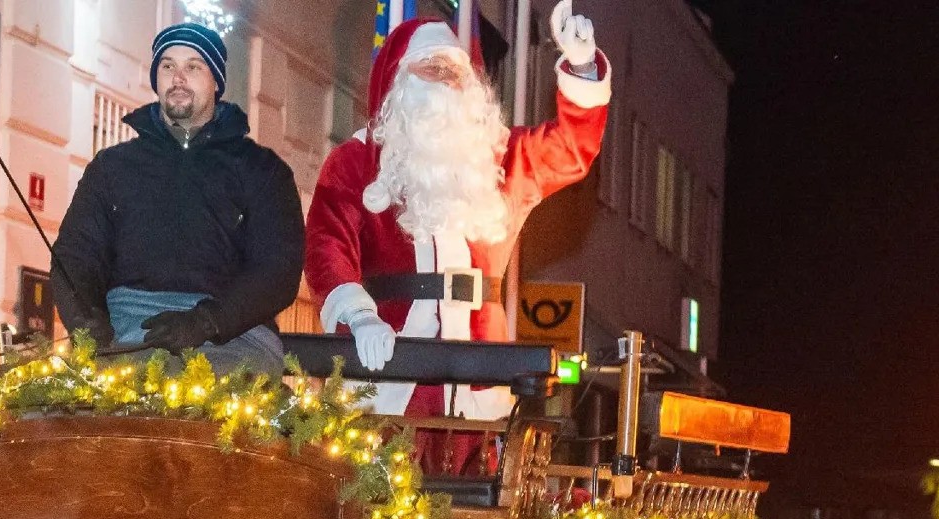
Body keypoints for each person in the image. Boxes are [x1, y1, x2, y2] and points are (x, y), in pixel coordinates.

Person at [305, 3, 609, 467]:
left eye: (453, 72)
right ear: (399, 82)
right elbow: (328, 249)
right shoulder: (355, 162)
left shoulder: (502, 160)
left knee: (473, 510)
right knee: (376, 504)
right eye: (430, 69)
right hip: (389, 367)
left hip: (478, 375)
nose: (444, 80)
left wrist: (583, 68)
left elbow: (570, 150)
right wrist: (358, 316)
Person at [51, 21, 305, 368]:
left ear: (216, 81)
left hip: (236, 338)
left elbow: (278, 269)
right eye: (168, 66)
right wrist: (86, 318)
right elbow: (76, 254)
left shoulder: (262, 171)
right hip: (127, 329)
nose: (178, 77)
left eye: (193, 66)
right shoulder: (112, 168)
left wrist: (208, 320)